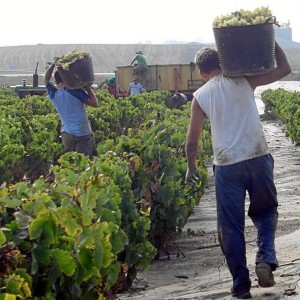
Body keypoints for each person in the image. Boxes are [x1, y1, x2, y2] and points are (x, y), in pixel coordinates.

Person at [185, 42, 291, 299]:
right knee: (266, 212)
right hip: (258, 157)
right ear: (223, 64)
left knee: (230, 227)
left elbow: (192, 139)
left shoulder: (201, 96)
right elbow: (285, 69)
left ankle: (241, 285)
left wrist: (191, 167)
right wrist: (271, 40)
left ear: (202, 73)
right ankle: (265, 259)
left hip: (226, 166)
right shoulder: (244, 80)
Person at [44, 60, 99, 160]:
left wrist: (53, 64)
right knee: (84, 164)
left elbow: (46, 80)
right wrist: (87, 87)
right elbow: (95, 104)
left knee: (70, 164)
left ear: (56, 82)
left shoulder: (54, 94)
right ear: (67, 78)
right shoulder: (75, 91)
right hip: (83, 132)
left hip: (67, 134)